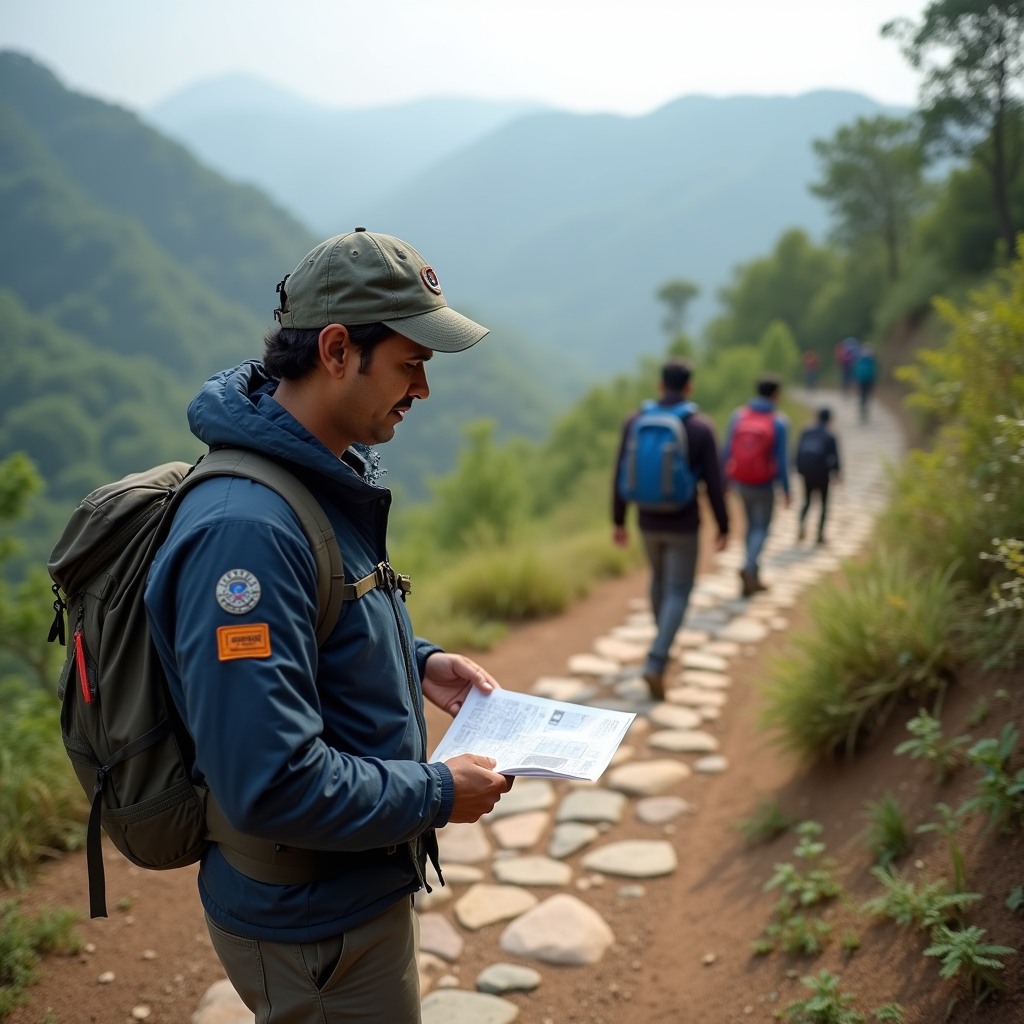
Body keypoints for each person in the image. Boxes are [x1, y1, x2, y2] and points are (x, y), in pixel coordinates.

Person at [144, 228, 513, 1024]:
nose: (423, 389)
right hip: (314, 925)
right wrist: (438, 792)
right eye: (411, 363)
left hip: (347, 889)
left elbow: (317, 620)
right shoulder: (245, 532)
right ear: (339, 349)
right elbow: (271, 782)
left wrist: (418, 659)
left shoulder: (318, 470)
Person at [612, 358, 729, 700]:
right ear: (689, 387)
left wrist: (618, 520)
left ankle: (661, 640)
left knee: (659, 579)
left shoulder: (635, 421)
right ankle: (658, 658)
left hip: (646, 520)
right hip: (684, 523)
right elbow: (715, 482)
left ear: (660, 385)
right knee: (678, 588)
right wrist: (724, 525)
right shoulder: (700, 427)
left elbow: (620, 472)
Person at [721, 373, 791, 597]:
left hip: (741, 481)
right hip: (764, 484)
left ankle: (752, 571)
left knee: (750, 526)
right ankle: (750, 568)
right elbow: (782, 459)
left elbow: (726, 450)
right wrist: (787, 489)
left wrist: (724, 480)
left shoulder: (738, 416)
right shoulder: (778, 421)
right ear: (776, 394)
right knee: (761, 528)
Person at [794, 406, 842, 545]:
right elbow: (835, 457)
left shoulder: (806, 432)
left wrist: (798, 469)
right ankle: (819, 535)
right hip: (822, 474)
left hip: (807, 472)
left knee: (807, 501)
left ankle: (801, 527)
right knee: (823, 504)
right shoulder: (830, 435)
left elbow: (798, 451)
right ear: (829, 419)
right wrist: (837, 473)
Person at [854, 342, 878, 423]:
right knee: (867, 394)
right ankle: (865, 408)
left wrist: (856, 378)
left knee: (862, 394)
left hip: (861, 379)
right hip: (869, 380)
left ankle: (862, 408)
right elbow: (874, 370)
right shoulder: (871, 359)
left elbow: (856, 369)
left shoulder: (860, 358)